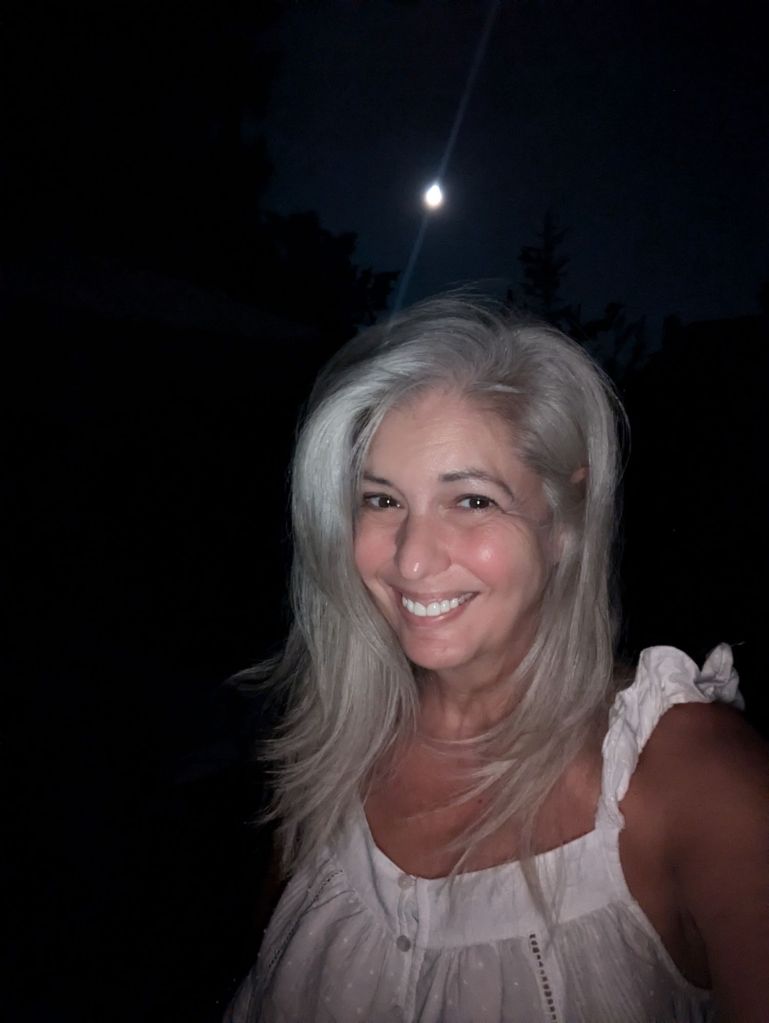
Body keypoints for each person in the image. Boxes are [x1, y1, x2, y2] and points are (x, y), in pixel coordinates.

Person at [226, 295, 769, 1022]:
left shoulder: (695, 781)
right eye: (381, 500)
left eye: (472, 501)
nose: (412, 560)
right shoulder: (333, 743)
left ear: (564, 518)